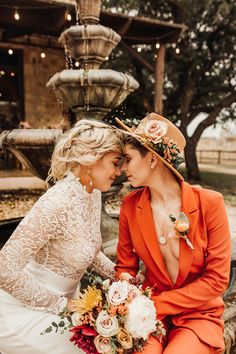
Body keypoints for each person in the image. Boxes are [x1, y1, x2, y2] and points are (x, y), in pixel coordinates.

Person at [0, 119, 123, 354]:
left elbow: (89, 250)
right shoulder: (55, 203)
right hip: (21, 312)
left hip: (68, 308)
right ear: (91, 159)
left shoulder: (93, 193)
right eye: (114, 163)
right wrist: (63, 305)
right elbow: (4, 269)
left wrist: (121, 277)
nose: (118, 172)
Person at [115, 112, 231, 354]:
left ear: (153, 159)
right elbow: (125, 266)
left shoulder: (210, 203)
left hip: (197, 314)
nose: (122, 168)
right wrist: (124, 292)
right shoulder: (129, 206)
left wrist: (157, 304)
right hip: (146, 316)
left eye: (128, 158)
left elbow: (217, 280)